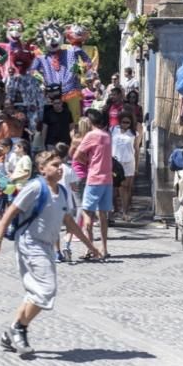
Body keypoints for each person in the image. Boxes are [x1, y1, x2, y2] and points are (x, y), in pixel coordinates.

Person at [0, 151, 101, 357]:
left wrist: (90, 246)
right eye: (55, 164)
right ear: (42, 169)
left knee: (35, 292)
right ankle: (19, 329)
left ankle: (9, 334)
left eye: (62, 164)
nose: (60, 168)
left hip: (46, 246)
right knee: (46, 290)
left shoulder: (64, 192)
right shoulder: (35, 187)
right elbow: (10, 212)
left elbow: (69, 223)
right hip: (30, 243)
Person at [73, 109, 112, 260]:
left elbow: (76, 155)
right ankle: (104, 248)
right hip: (107, 179)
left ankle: (90, 249)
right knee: (103, 215)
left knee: (87, 212)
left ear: (89, 122)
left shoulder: (91, 135)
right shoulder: (107, 135)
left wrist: (88, 163)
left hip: (94, 178)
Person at [111, 111, 139, 220]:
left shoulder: (134, 133)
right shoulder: (113, 130)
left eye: (128, 122)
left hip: (128, 162)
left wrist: (136, 167)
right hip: (115, 162)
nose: (125, 124)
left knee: (125, 188)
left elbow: (136, 150)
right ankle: (115, 209)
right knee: (114, 187)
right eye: (123, 122)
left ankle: (125, 212)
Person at [54, 142, 79, 262]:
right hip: (67, 203)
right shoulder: (69, 170)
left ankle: (57, 253)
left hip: (55, 202)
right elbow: (74, 188)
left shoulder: (53, 169)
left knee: (56, 229)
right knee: (70, 228)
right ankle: (67, 246)